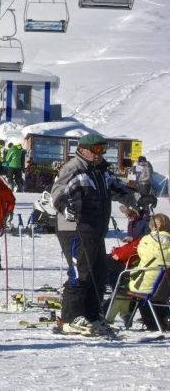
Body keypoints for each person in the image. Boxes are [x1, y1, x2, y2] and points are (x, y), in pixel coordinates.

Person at [50, 133, 140, 336]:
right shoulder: (74, 168)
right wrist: (65, 206)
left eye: (103, 150)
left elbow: (121, 189)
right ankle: (71, 318)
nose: (100, 154)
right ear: (83, 149)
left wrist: (139, 199)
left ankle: (93, 316)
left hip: (96, 230)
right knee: (81, 272)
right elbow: (59, 192)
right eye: (96, 150)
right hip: (74, 227)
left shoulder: (101, 172)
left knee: (98, 273)